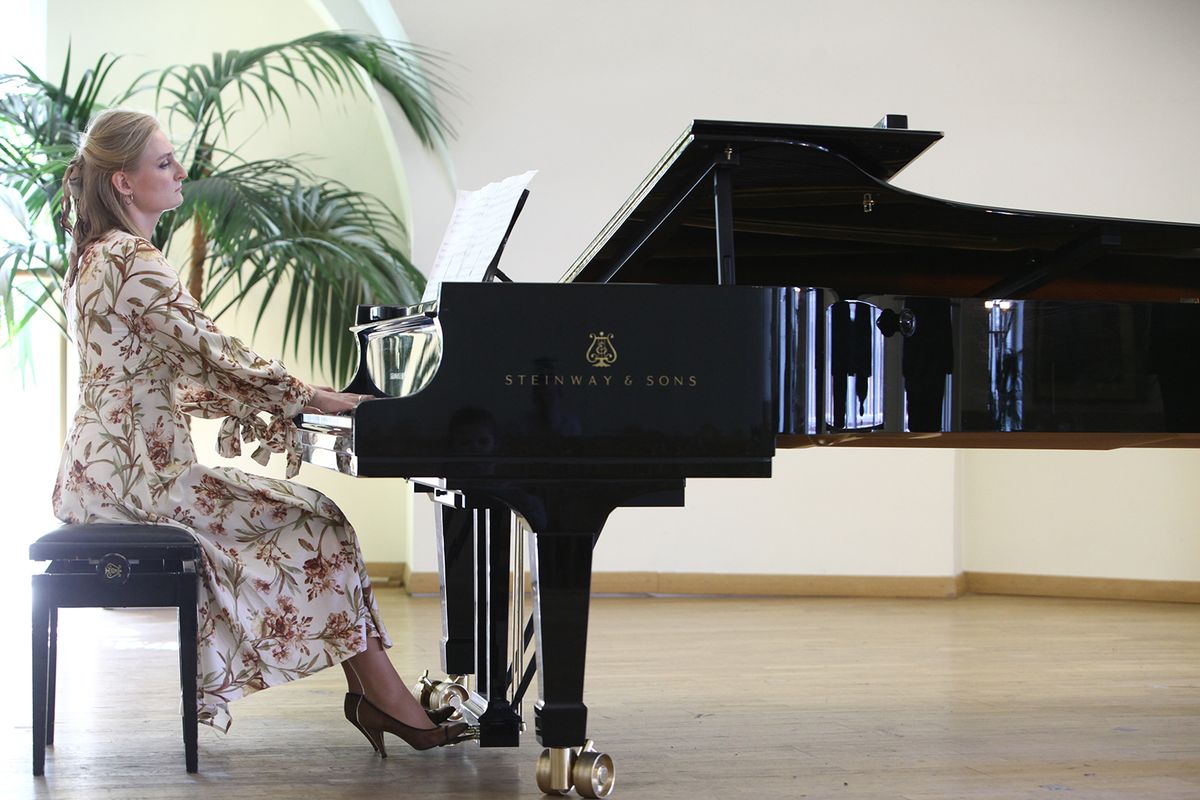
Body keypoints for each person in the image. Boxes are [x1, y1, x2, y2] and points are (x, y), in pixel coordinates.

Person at [51, 108, 466, 755]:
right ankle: (384, 698)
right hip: (139, 485)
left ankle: (381, 695)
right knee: (321, 521)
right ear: (124, 182)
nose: (181, 170)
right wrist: (313, 398)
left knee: (318, 520)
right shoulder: (131, 258)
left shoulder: (95, 257)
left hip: (103, 476)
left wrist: (290, 400)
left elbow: (172, 374)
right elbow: (216, 353)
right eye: (164, 161)